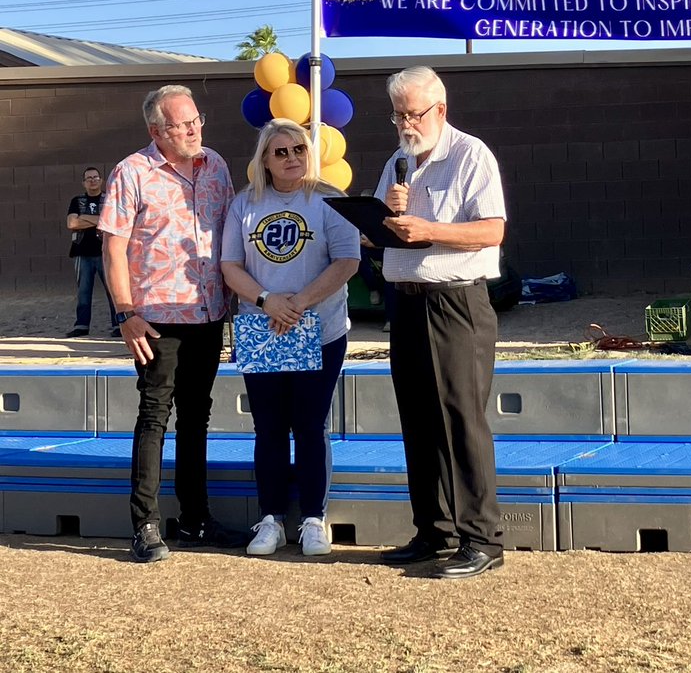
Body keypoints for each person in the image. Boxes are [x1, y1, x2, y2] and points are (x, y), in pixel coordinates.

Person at [99, 85, 246, 563]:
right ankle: (144, 524)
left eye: (196, 119)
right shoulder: (131, 172)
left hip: (208, 315)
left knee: (197, 417)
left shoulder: (217, 165)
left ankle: (196, 519)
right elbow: (114, 247)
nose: (194, 129)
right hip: (156, 320)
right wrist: (126, 313)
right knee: (154, 417)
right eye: (182, 124)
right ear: (156, 131)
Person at [373, 66, 507, 579]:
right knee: (417, 417)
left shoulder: (472, 154)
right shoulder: (397, 162)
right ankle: (434, 530)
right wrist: (384, 216)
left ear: (440, 110)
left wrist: (429, 228)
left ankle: (482, 538)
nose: (406, 123)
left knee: (460, 418)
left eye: (414, 113)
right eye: (398, 114)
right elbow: (391, 232)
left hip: (455, 303)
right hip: (405, 300)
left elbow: (493, 230)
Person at [221, 119, 360, 558]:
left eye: (298, 150)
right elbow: (230, 266)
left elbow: (347, 261)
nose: (291, 158)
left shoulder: (328, 200)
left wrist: (296, 303)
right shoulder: (244, 204)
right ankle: (271, 518)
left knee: (311, 426)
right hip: (263, 329)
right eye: (279, 152)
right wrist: (267, 301)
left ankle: (314, 519)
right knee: (269, 428)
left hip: (320, 330)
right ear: (264, 158)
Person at [66, 166, 119, 338]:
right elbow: (72, 224)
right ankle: (81, 325)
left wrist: (85, 218)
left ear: (101, 180)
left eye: (95, 177)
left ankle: (118, 325)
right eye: (88, 178)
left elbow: (112, 221)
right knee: (83, 291)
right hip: (82, 253)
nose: (92, 180)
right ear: (84, 182)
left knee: (113, 290)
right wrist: (100, 220)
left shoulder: (109, 199)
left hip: (106, 252)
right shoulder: (77, 200)